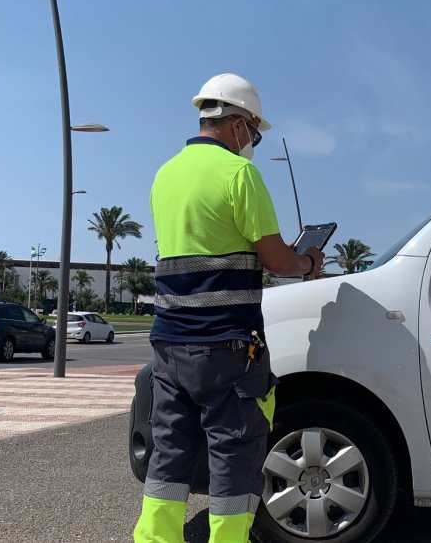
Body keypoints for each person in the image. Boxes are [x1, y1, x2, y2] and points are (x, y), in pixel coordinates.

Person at [134, 73, 326, 543]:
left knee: (170, 452)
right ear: (238, 124)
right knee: (234, 454)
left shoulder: (165, 174)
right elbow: (277, 259)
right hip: (226, 346)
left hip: (169, 342)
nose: (252, 143)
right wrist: (308, 261)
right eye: (254, 133)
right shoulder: (240, 175)